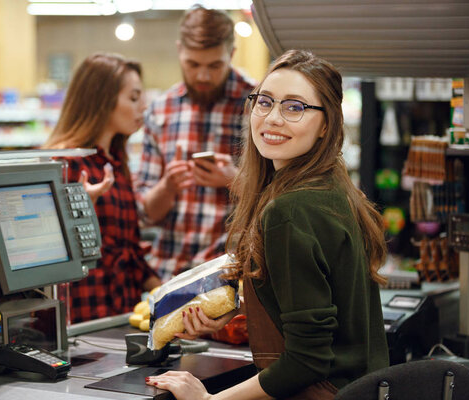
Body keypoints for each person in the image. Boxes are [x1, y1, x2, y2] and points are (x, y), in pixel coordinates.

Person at [145, 50, 390, 399]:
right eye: (265, 102)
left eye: (295, 107)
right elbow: (314, 294)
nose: (273, 118)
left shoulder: (289, 211)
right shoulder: (331, 187)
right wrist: (233, 310)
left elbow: (308, 361)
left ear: (326, 125)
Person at [134, 6, 255, 281]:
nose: (203, 76)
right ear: (180, 51)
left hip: (232, 274)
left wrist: (234, 180)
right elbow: (145, 214)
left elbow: (279, 198)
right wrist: (167, 187)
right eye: (193, 64)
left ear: (232, 55)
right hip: (169, 274)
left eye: (214, 66)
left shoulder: (258, 103)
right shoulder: (160, 110)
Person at [44, 53, 161, 323]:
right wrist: (82, 210)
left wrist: (167, 289)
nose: (143, 107)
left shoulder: (116, 163)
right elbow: (49, 253)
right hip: (82, 315)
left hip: (121, 311)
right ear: (101, 100)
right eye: (133, 98)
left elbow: (128, 247)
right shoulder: (65, 163)